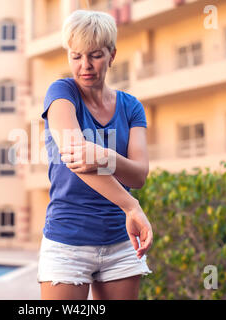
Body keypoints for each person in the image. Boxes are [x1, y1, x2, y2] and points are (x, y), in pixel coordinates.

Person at [37, 9, 153, 300]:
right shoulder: (61, 93)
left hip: (120, 240)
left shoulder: (131, 107)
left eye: (95, 55)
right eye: (76, 56)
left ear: (112, 55)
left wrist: (103, 157)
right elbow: (76, 158)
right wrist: (131, 207)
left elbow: (139, 174)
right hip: (67, 241)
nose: (84, 65)